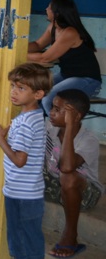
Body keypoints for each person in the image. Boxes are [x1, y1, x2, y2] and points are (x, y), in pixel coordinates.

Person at [0, 63, 53, 259]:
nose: (14, 92)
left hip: (22, 193)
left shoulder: (26, 122)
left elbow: (19, 160)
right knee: (26, 238)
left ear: (38, 94)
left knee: (23, 241)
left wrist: (1, 140)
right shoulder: (33, 117)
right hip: (25, 190)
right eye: (13, 86)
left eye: (21, 88)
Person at [44, 89, 103, 258]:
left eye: (57, 109)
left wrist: (69, 127)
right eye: (52, 107)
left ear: (75, 116)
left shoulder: (88, 140)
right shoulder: (49, 127)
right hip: (55, 183)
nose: (51, 112)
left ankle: (70, 236)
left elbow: (67, 167)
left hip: (85, 194)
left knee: (68, 177)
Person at [27, 0, 101, 117]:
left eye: (49, 7)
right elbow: (38, 45)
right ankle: (36, 125)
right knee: (37, 92)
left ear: (57, 13)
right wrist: (17, 46)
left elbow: (45, 57)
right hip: (66, 76)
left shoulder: (70, 32)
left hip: (87, 80)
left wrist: (18, 54)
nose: (46, 9)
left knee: (49, 98)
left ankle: (55, 128)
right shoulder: (53, 27)